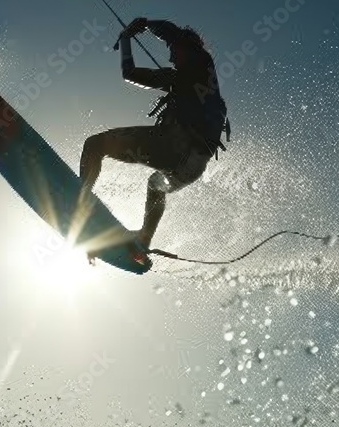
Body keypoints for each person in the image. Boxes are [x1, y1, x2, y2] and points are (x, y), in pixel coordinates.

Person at [78, 17, 229, 270]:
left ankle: (78, 204)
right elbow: (135, 72)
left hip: (174, 147)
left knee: (95, 145)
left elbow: (170, 37)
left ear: (186, 47)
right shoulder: (189, 77)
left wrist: (140, 28)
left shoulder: (201, 62)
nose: (170, 58)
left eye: (173, 52)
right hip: (192, 166)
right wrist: (139, 31)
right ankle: (143, 240)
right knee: (156, 185)